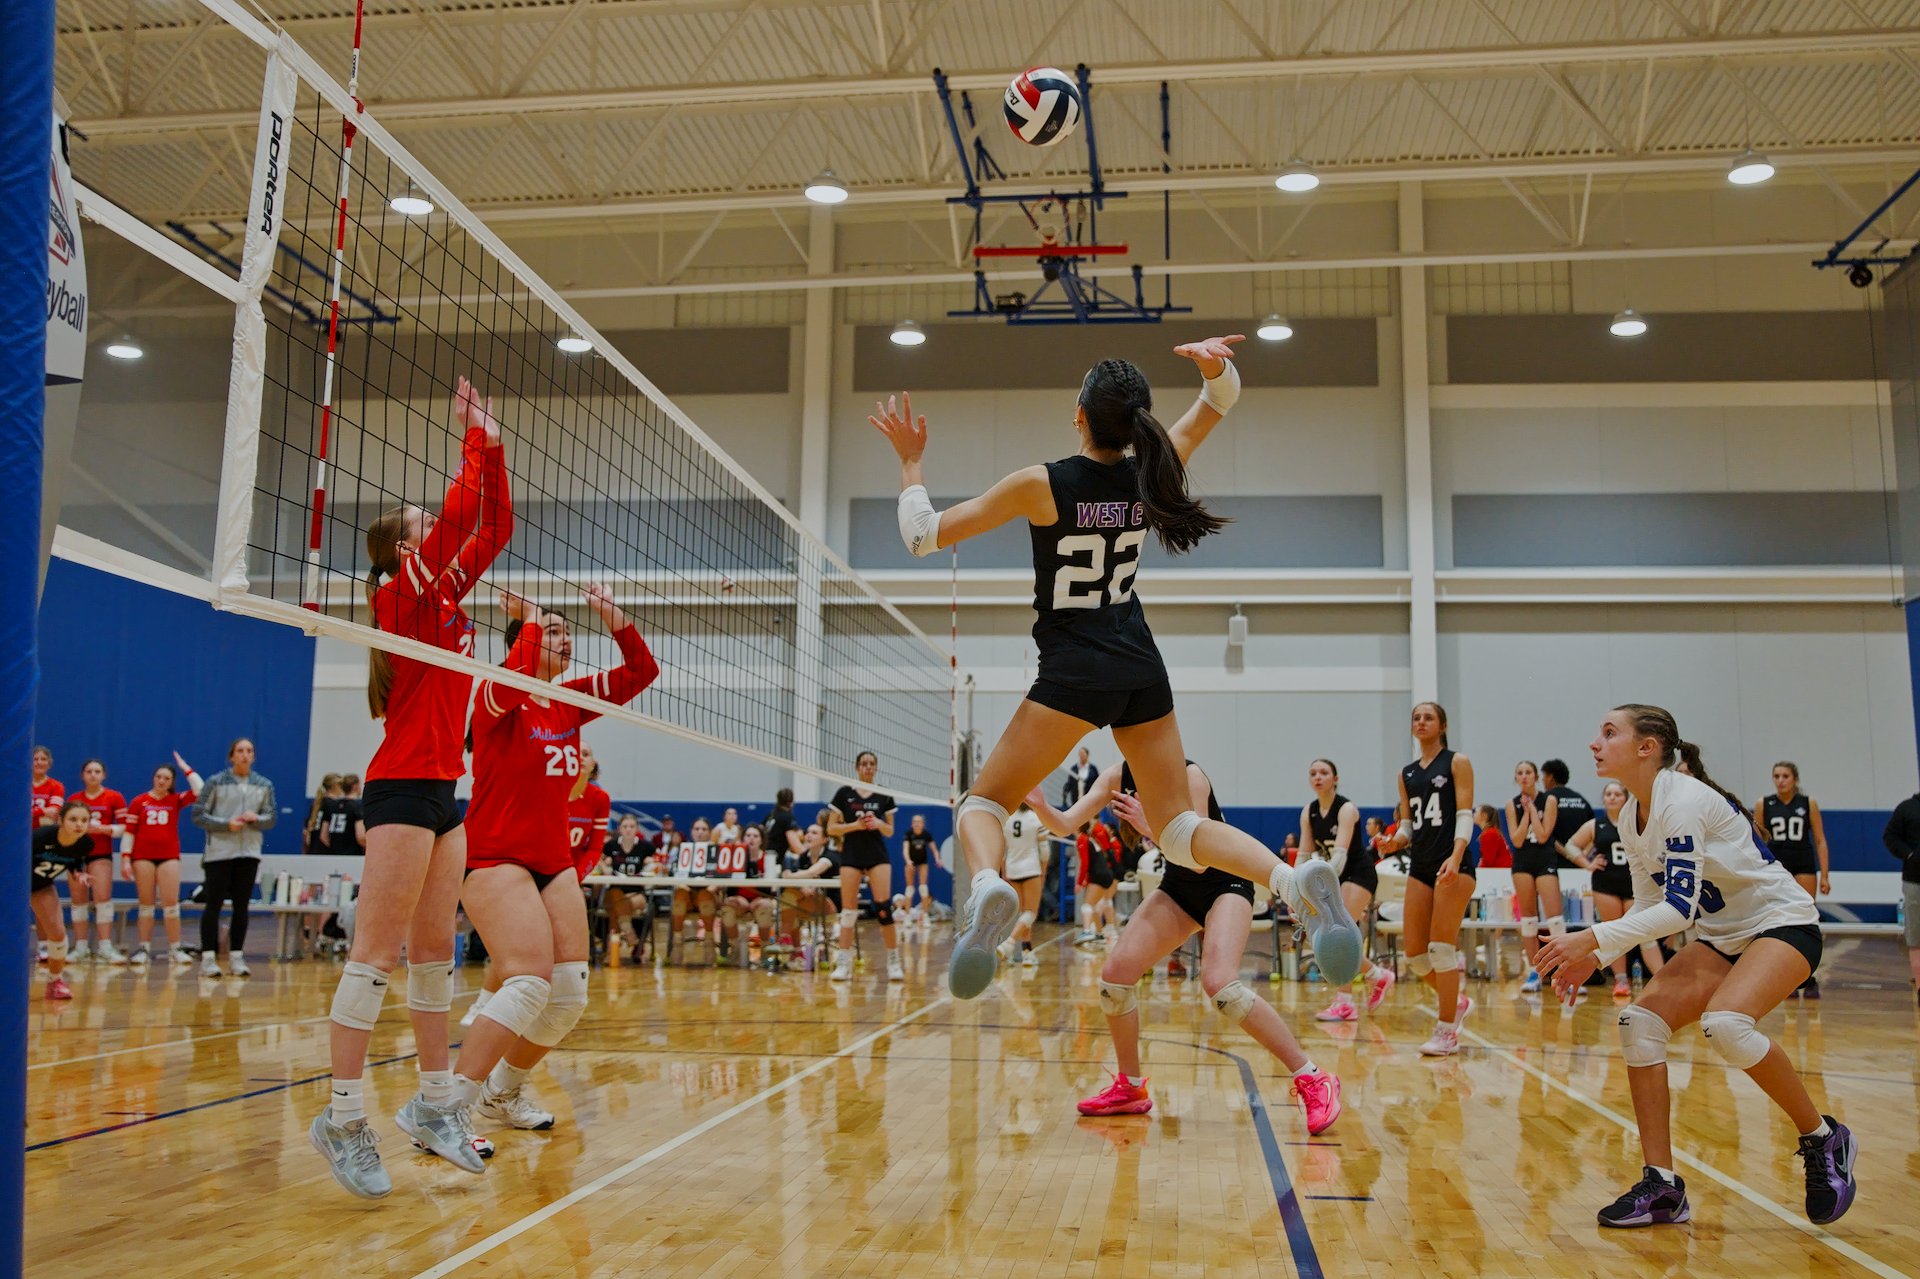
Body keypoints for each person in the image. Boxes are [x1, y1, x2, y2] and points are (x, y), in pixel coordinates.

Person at [868, 339, 1357, 999]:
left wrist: (910, 462)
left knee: (981, 804)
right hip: (1139, 665)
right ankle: (1292, 882)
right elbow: (1220, 399)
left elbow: (921, 534)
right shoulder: (1150, 471)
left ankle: (987, 887)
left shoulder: (1042, 483)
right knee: (1178, 830)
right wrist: (1213, 366)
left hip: (1073, 671)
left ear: (1080, 414)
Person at [1534, 704, 1854, 1230]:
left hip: (1782, 923)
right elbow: (1647, 906)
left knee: (1726, 1024)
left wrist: (1590, 937)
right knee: (1639, 1023)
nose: (1595, 742)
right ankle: (1662, 1186)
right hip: (1722, 937)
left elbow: (1679, 910)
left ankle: (1823, 1137)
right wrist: (1596, 956)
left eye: (1609, 733)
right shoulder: (1629, 815)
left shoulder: (1681, 800)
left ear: (1647, 747)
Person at [310, 375, 512, 1199]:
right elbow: (463, 517)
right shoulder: (402, 594)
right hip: (398, 788)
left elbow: (492, 526)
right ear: (403, 549)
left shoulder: (446, 597)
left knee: (436, 956)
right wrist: (472, 439)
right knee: (374, 957)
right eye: (422, 526)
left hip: (443, 791)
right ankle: (340, 1116)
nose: (435, 528)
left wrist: (495, 446)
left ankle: (433, 1105)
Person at [1028, 760, 1343, 1135]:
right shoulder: (1116, 777)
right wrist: (1042, 807)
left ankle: (1313, 1077)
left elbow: (1198, 861)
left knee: (1222, 986)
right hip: (1178, 887)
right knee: (1115, 977)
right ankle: (1130, 1087)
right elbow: (1066, 824)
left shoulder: (1188, 776)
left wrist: (1147, 826)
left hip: (1225, 881)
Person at [452, 585, 658, 1144]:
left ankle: (502, 1093)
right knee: (528, 983)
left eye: (568, 631)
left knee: (568, 995)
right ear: (523, 640)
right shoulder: (495, 693)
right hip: (495, 855)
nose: (565, 639)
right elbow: (512, 677)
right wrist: (527, 618)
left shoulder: (568, 700)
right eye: (553, 630)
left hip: (552, 860)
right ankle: (447, 1109)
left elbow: (642, 672)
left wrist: (611, 615)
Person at [1377, 702, 1477, 1056]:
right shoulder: (1405, 773)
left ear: (1442, 725)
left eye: (1428, 717)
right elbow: (1408, 825)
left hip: (1453, 864)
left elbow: (1465, 814)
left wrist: (1456, 856)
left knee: (1441, 949)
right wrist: (1394, 842)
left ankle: (1447, 1030)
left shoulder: (1457, 762)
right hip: (1420, 864)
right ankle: (1457, 1002)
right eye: (1416, 718)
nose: (1421, 722)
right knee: (1416, 956)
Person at [1305, 759, 1395, 1023]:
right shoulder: (1309, 812)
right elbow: (1303, 855)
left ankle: (1346, 1002)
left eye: (1324, 773)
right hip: (1337, 878)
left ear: (1335, 779)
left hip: (1358, 874)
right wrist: (1296, 886)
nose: (1318, 777)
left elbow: (1340, 857)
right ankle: (1376, 975)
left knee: (1337, 935)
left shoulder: (1346, 809)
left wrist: (1318, 888)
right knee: (1333, 938)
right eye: (1313, 773)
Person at [1567, 781, 1664, 998]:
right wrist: (1587, 863)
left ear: (1626, 798)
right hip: (1606, 885)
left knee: (1645, 932)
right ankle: (1621, 981)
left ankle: (1661, 980)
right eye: (1608, 794)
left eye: (1617, 794)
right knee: (1613, 932)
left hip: (1635, 885)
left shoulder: (1637, 821)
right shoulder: (1595, 824)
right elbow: (1571, 845)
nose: (1612, 797)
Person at [189, 738, 276, 977]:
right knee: (214, 904)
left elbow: (271, 817)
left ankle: (237, 956)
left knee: (241, 906)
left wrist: (256, 819)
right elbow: (198, 815)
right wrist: (226, 824)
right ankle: (208, 958)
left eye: (249, 751)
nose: (245, 755)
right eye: (240, 751)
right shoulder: (216, 782)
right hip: (219, 853)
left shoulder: (264, 784)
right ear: (231, 756)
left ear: (254, 756)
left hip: (249, 852)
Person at [1753, 761, 1830, 999]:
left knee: (1807, 918)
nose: (1780, 780)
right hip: (1777, 868)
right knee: (1778, 920)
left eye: (1785, 776)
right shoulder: (1764, 804)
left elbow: (1820, 840)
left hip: (1804, 866)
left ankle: (1810, 975)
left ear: (1795, 779)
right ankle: (1786, 976)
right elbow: (1756, 841)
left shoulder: (1808, 803)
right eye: (1776, 776)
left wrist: (1825, 875)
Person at [122, 752, 203, 966]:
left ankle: (175, 949)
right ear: (153, 778)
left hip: (168, 857)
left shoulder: (175, 800)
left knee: (171, 905)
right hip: (143, 857)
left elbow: (200, 790)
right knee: (146, 905)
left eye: (166, 778)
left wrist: (185, 767)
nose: (161, 781)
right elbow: (129, 832)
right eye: (158, 776)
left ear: (172, 782)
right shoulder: (139, 801)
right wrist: (125, 859)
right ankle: (143, 948)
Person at [828, 751, 901, 982]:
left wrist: (878, 823)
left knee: (884, 909)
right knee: (848, 912)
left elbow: (890, 831)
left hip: (877, 855)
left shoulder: (883, 795)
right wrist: (855, 826)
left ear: (876, 768)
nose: (867, 767)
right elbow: (831, 828)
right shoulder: (844, 793)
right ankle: (843, 963)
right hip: (851, 854)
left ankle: (893, 961)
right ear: (857, 767)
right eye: (863, 763)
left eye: (871, 764)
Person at [32, 802, 96, 1000]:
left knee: (58, 934)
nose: (79, 824)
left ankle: (55, 981)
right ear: (60, 821)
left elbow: (74, 861)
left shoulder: (85, 843)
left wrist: (79, 873)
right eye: (73, 819)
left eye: (84, 820)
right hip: (13, 887)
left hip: (41, 886)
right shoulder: (40, 837)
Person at [68, 758, 128, 964]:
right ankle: (81, 947)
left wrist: (103, 829)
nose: (93, 775)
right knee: (78, 900)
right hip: (76, 854)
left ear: (104, 775)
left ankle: (105, 947)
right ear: (82, 775)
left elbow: (125, 827)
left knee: (102, 898)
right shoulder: (74, 799)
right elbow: (64, 827)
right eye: (89, 771)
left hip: (101, 853)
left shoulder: (114, 797)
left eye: (97, 771)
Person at [1504, 759, 1555, 992]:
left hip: (1544, 860)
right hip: (1523, 862)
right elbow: (1516, 840)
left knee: (1555, 918)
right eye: (1520, 773)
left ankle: (1564, 970)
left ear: (1536, 777)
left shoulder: (1549, 800)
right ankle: (1535, 972)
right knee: (1528, 919)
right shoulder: (1511, 804)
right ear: (1516, 778)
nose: (1524, 776)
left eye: (1528, 772)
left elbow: (1543, 835)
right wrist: (1525, 813)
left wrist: (1533, 809)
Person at [1882, 791, 1920, 1005]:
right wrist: (1910, 855)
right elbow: (1890, 836)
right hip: (1915, 881)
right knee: (1915, 936)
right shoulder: (1907, 807)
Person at [999, 800, 1047, 969]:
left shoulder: (1007, 819)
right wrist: (1043, 871)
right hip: (1031, 868)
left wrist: (1004, 871)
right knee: (1030, 913)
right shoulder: (1035, 819)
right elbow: (1045, 851)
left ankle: (1027, 952)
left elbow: (1002, 850)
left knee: (1023, 914)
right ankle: (1009, 944)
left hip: (1012, 868)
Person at [669, 816, 721, 961]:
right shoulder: (683, 849)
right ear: (691, 831)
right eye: (697, 829)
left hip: (709, 894)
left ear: (709, 832)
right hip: (688, 893)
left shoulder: (715, 851)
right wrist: (682, 885)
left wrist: (711, 888)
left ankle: (709, 942)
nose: (700, 832)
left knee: (705, 896)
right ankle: (677, 943)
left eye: (704, 829)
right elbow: (674, 874)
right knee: (679, 895)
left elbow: (723, 877)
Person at [1074, 819, 1120, 946]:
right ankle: (1099, 934)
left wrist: (1079, 882)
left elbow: (1085, 863)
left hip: (1099, 875)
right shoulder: (1091, 839)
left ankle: (1087, 931)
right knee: (1094, 905)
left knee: (1087, 905)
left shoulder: (1082, 839)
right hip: (1106, 874)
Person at [901, 813, 938, 925]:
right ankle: (907, 917)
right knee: (909, 889)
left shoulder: (926, 834)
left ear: (923, 824)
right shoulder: (908, 834)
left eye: (919, 822)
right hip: (910, 862)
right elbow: (905, 849)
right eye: (914, 822)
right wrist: (908, 861)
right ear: (912, 824)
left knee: (923, 888)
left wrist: (937, 858)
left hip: (922, 862)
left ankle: (925, 916)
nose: (916, 824)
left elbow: (934, 849)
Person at [762, 788, 801, 860]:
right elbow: (795, 845)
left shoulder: (771, 815)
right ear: (791, 802)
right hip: (775, 856)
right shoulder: (787, 817)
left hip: (764, 853)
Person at [30, 745, 64, 827]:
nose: (39, 762)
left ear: (49, 763)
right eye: (35, 759)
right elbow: (17, 812)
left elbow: (54, 811)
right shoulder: (21, 785)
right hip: (20, 830)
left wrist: (32, 813)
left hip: (44, 831)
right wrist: (43, 811)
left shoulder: (57, 786)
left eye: (43, 759)